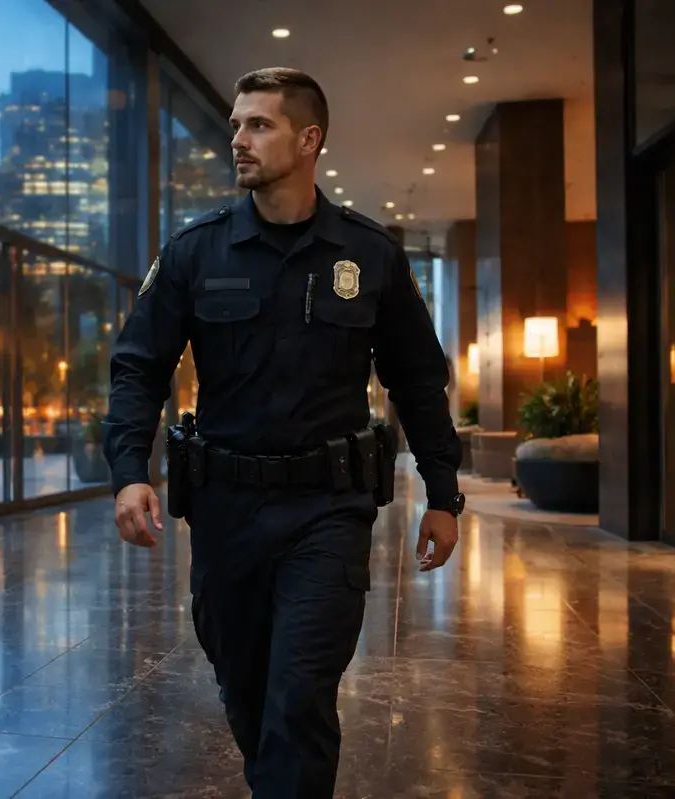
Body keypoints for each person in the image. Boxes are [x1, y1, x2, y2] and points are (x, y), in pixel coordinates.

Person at [102, 67, 465, 798]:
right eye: (235, 124)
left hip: (326, 512)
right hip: (226, 512)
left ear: (309, 140)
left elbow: (418, 383)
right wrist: (128, 469)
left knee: (299, 696)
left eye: (257, 125)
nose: (237, 139)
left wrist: (443, 493)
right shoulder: (193, 253)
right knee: (245, 692)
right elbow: (137, 368)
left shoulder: (369, 256)